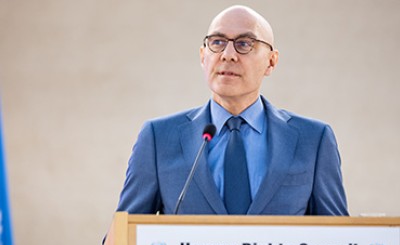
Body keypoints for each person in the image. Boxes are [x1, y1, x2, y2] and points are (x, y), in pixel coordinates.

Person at [116, 5, 348, 215]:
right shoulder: (159, 138)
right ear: (202, 56)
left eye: (244, 44)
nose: (227, 54)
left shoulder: (313, 140)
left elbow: (341, 244)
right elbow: (121, 243)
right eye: (217, 42)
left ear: (271, 62)